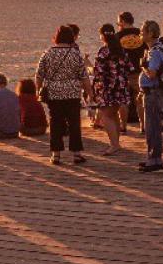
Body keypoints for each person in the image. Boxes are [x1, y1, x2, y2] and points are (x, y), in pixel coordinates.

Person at [36, 25, 92, 165]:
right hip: (72, 92)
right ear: (71, 38)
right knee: (74, 123)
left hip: (54, 94)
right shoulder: (75, 54)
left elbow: (39, 75)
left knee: (55, 123)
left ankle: (56, 154)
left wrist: (38, 90)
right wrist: (90, 92)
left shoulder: (47, 53)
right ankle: (76, 154)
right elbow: (84, 76)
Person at [92, 24, 133, 155]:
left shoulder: (104, 51)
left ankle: (114, 144)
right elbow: (130, 67)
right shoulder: (121, 50)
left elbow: (98, 71)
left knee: (106, 116)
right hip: (120, 87)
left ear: (103, 35)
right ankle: (116, 143)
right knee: (114, 114)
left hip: (107, 87)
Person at [137, 20, 163, 173]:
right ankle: (154, 157)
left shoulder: (154, 52)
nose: (140, 34)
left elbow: (153, 74)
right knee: (152, 126)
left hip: (153, 93)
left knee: (152, 127)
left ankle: (155, 161)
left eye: (142, 31)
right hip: (152, 93)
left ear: (150, 33)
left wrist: (143, 66)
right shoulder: (157, 48)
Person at [116, 12, 144, 129]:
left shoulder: (117, 36)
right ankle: (143, 125)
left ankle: (123, 126)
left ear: (122, 21)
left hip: (123, 71)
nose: (118, 24)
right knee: (140, 99)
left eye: (118, 21)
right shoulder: (141, 34)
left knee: (123, 100)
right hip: (139, 70)